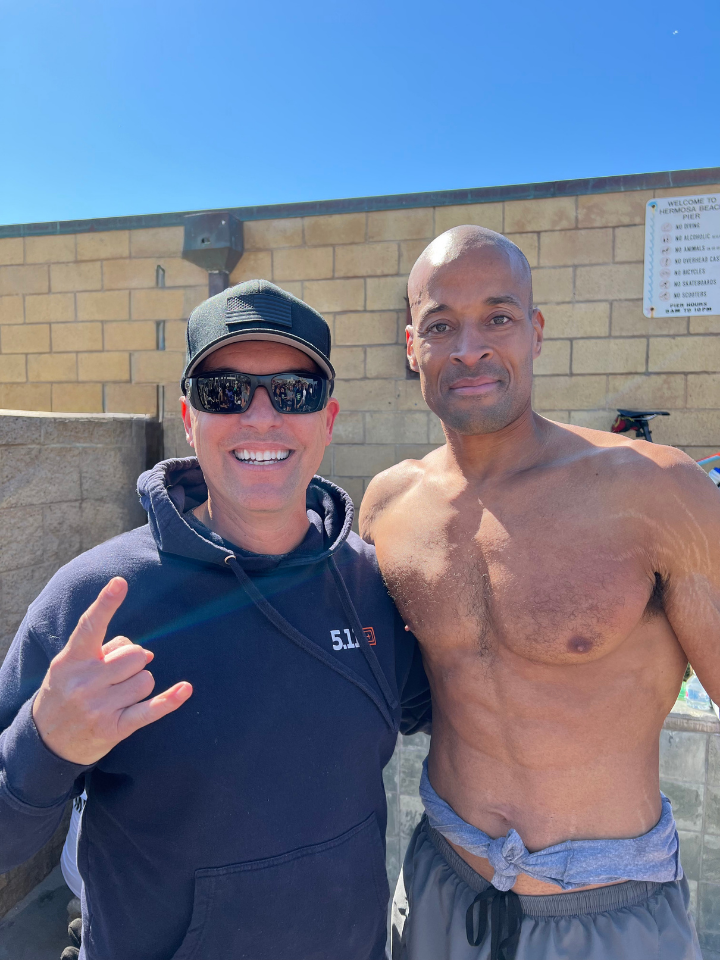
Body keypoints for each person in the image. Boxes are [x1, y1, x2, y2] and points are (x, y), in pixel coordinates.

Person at [0, 279, 430, 960]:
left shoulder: (369, 584)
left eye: (293, 392)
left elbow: (461, 712)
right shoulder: (99, 597)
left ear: (329, 418)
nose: (260, 418)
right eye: (224, 393)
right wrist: (43, 747)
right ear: (189, 418)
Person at [359, 226, 713, 960]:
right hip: (440, 886)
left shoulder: (658, 491)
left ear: (537, 331)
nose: (469, 349)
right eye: (441, 325)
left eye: (498, 317)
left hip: (610, 912)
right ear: (411, 346)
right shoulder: (389, 508)